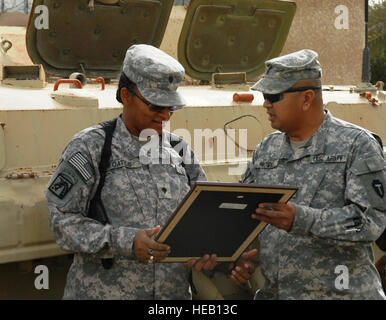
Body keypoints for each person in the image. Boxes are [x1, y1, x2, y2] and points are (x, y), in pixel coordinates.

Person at [46, 44, 254, 299]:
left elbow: (202, 220)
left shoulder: (179, 151)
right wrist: (127, 241)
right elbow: (62, 224)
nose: (165, 115)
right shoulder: (91, 148)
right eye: (156, 106)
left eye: (171, 108)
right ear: (126, 95)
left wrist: (217, 257)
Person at [242, 49, 386, 299]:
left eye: (273, 96)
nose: (266, 103)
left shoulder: (357, 145)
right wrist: (242, 258)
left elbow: (370, 222)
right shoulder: (266, 149)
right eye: (265, 96)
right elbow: (248, 215)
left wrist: (302, 219)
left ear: (307, 98)